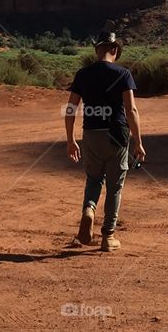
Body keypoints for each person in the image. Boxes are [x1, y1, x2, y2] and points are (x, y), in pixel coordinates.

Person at [64, 31, 146, 252]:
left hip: (90, 134)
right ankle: (108, 236)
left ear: (96, 51)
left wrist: (71, 140)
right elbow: (131, 110)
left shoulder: (83, 74)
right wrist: (138, 142)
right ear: (115, 50)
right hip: (116, 135)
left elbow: (70, 109)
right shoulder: (123, 74)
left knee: (93, 179)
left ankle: (89, 209)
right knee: (114, 187)